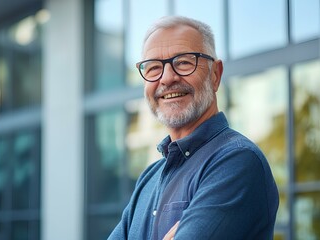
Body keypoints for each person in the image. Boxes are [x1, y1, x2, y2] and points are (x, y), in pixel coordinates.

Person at [107, 16, 279, 240]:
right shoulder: (149, 178)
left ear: (215, 75)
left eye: (184, 62)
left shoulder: (237, 160)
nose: (167, 78)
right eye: (153, 68)